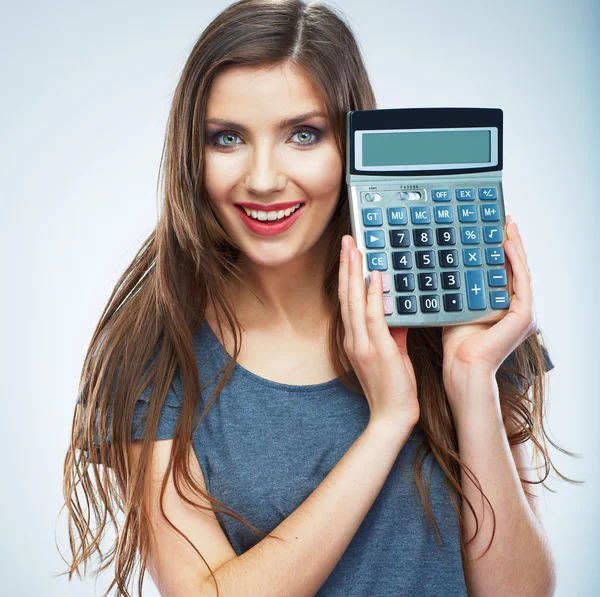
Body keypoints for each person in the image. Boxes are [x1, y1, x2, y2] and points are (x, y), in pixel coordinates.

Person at [60, 1, 577, 596]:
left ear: (352, 147)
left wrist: (470, 378)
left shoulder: (464, 311)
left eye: (303, 135)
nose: (262, 178)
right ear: (190, 155)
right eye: (227, 139)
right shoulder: (155, 352)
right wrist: (386, 425)